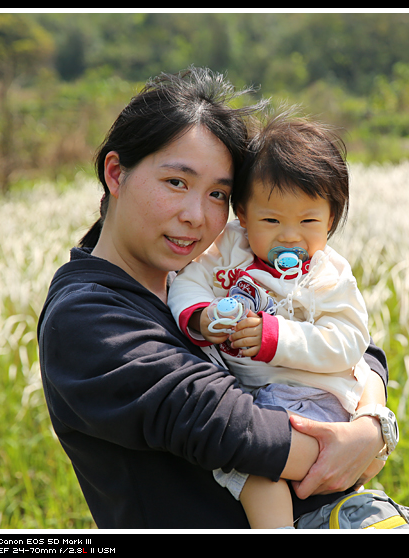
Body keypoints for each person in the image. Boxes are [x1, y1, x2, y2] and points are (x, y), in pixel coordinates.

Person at [37, 67, 390, 529]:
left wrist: (371, 424)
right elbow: (231, 427)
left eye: (217, 193)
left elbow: (358, 348)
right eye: (176, 183)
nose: (195, 216)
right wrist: (354, 447)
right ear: (115, 174)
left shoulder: (202, 271)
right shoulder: (85, 317)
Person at [167, 110, 391, 528]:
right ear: (243, 215)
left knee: (272, 474)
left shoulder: (327, 273)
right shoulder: (227, 251)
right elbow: (187, 284)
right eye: (271, 221)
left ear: (331, 221)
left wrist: (275, 337)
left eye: (308, 221)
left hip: (319, 402)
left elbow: (350, 341)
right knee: (256, 476)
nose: (290, 236)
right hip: (254, 402)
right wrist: (201, 317)